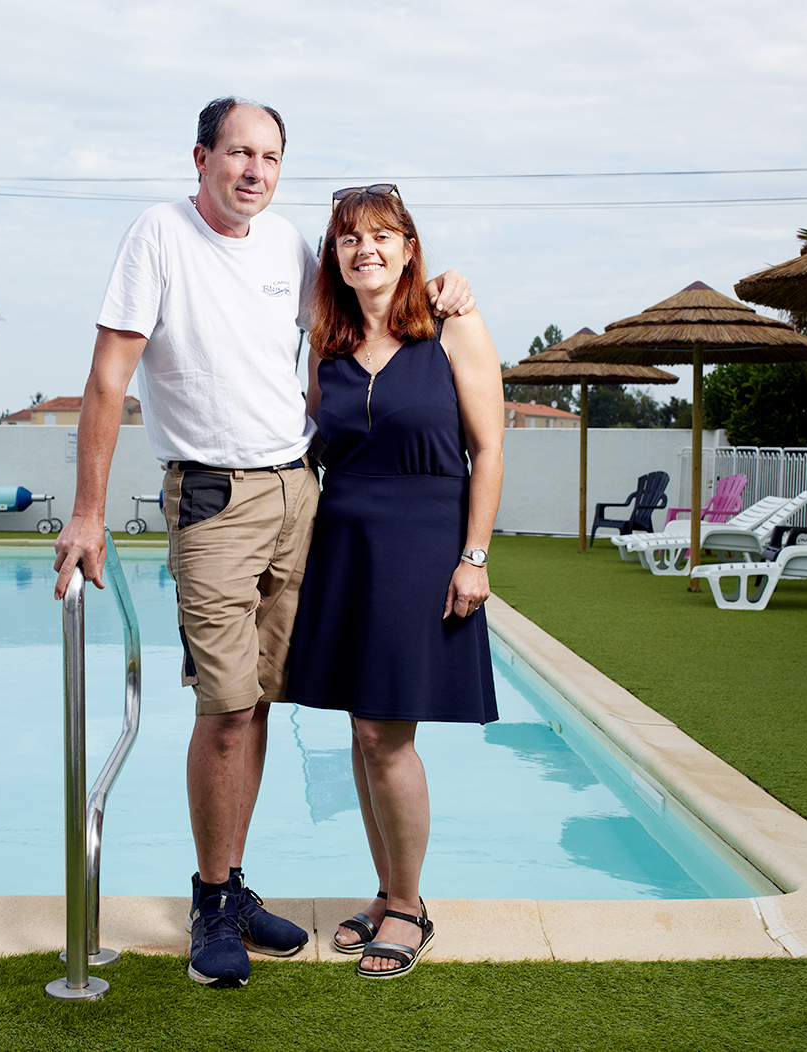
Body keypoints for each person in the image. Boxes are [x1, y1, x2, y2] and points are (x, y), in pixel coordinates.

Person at [51, 98, 473, 988]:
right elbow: (106, 379)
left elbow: (374, 297)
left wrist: (446, 288)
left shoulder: (291, 247)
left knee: (266, 701)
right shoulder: (157, 237)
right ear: (200, 156)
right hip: (211, 499)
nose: (254, 169)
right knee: (227, 706)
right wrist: (88, 511)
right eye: (238, 152)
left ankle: (236, 886)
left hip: (301, 493)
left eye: (271, 156)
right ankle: (211, 900)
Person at [285, 185, 504, 979]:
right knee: (360, 728)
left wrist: (473, 558)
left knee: (386, 733)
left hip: (423, 546)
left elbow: (489, 448)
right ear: (333, 257)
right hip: (343, 548)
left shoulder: (453, 324)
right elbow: (312, 444)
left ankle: (411, 907)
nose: (365, 249)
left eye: (382, 236)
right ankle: (387, 892)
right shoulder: (327, 344)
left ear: (410, 248)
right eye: (349, 238)